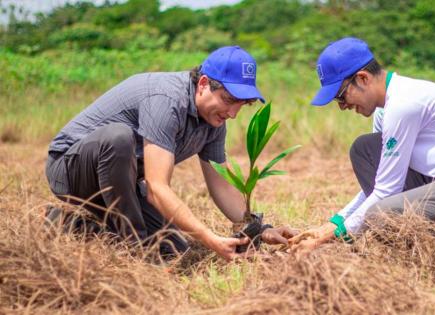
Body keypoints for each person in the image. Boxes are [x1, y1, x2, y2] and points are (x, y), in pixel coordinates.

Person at [45, 46, 297, 261]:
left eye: (241, 105)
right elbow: (156, 187)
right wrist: (209, 238)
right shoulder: (166, 100)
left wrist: (260, 228)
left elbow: (221, 185)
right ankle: (135, 252)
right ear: (203, 84)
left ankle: (69, 224)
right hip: (71, 169)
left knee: (174, 249)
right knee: (118, 138)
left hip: (121, 182)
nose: (232, 113)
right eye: (228, 100)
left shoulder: (213, 121)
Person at [290, 37, 435, 251]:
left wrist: (334, 238)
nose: (342, 106)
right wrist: (333, 224)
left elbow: (386, 191)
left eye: (341, 96)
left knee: (381, 216)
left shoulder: (404, 105)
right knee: (365, 150)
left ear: (363, 78)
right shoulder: (384, 111)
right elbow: (384, 181)